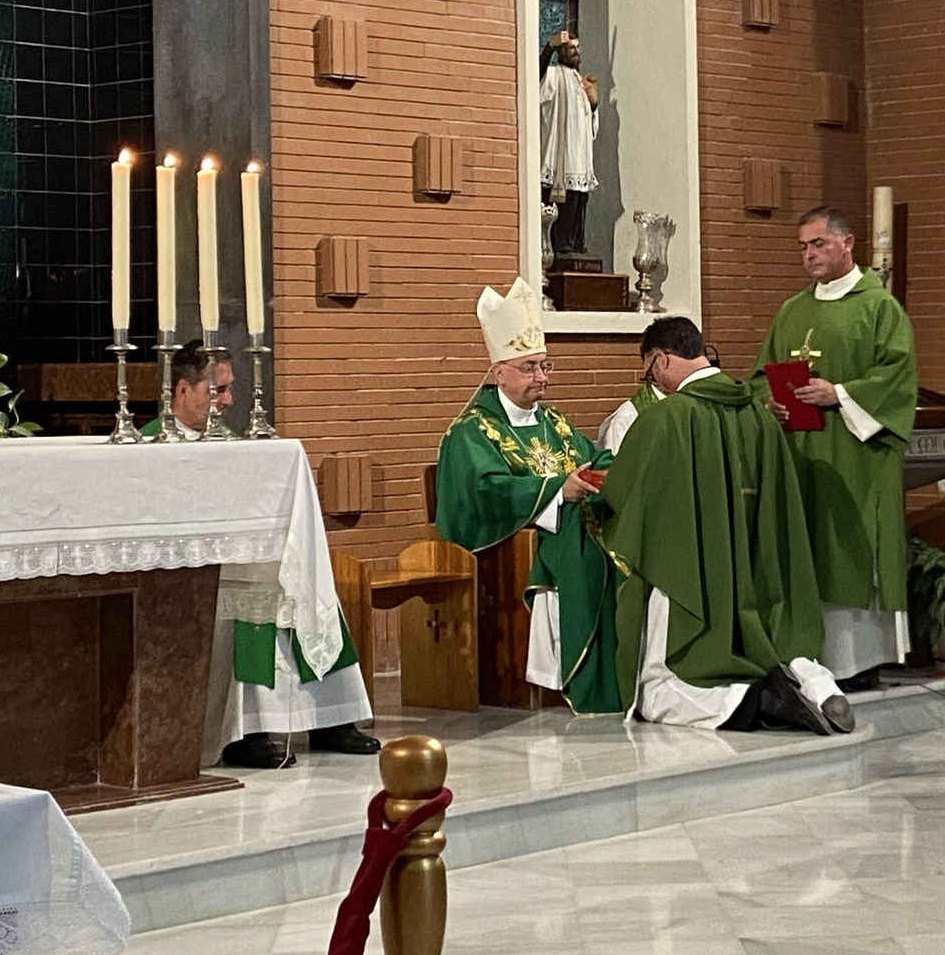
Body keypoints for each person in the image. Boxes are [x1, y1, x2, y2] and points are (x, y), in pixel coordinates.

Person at [597, 318, 850, 733]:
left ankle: (755, 699)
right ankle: (817, 685)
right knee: (763, 637)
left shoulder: (668, 416)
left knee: (656, 688)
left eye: (649, 369)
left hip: (690, 568)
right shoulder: (756, 411)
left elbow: (626, 491)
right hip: (752, 564)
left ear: (660, 361)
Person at [143, 342, 380, 769]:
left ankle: (331, 719)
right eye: (218, 391)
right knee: (248, 596)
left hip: (246, 556)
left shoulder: (237, 443)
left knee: (301, 579)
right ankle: (247, 732)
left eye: (231, 389)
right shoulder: (147, 445)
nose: (230, 401)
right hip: (196, 572)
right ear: (181, 390)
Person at [434, 277, 620, 714]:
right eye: (529, 367)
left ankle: (619, 667)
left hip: (565, 530)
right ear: (499, 372)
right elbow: (483, 492)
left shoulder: (553, 420)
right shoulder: (470, 432)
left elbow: (596, 457)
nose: (541, 377)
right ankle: (574, 672)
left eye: (545, 365)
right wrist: (560, 490)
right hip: (512, 550)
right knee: (587, 552)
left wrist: (602, 475)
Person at [750, 206, 917, 692]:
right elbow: (761, 375)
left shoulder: (878, 307)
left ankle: (859, 661)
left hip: (855, 458)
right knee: (806, 548)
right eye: (803, 246)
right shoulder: (791, 310)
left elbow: (898, 378)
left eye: (818, 244)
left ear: (848, 243)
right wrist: (772, 405)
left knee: (847, 547)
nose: (809, 255)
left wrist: (839, 394)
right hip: (801, 455)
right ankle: (807, 657)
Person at [540, 30, 599, 255]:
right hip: (561, 157)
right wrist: (549, 47)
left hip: (581, 157)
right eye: (571, 48)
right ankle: (562, 244)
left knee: (579, 202)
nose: (576, 52)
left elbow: (589, 123)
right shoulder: (554, 74)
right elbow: (535, 76)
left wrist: (593, 105)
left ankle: (576, 242)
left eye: (578, 47)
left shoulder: (581, 79)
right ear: (561, 52)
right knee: (563, 204)